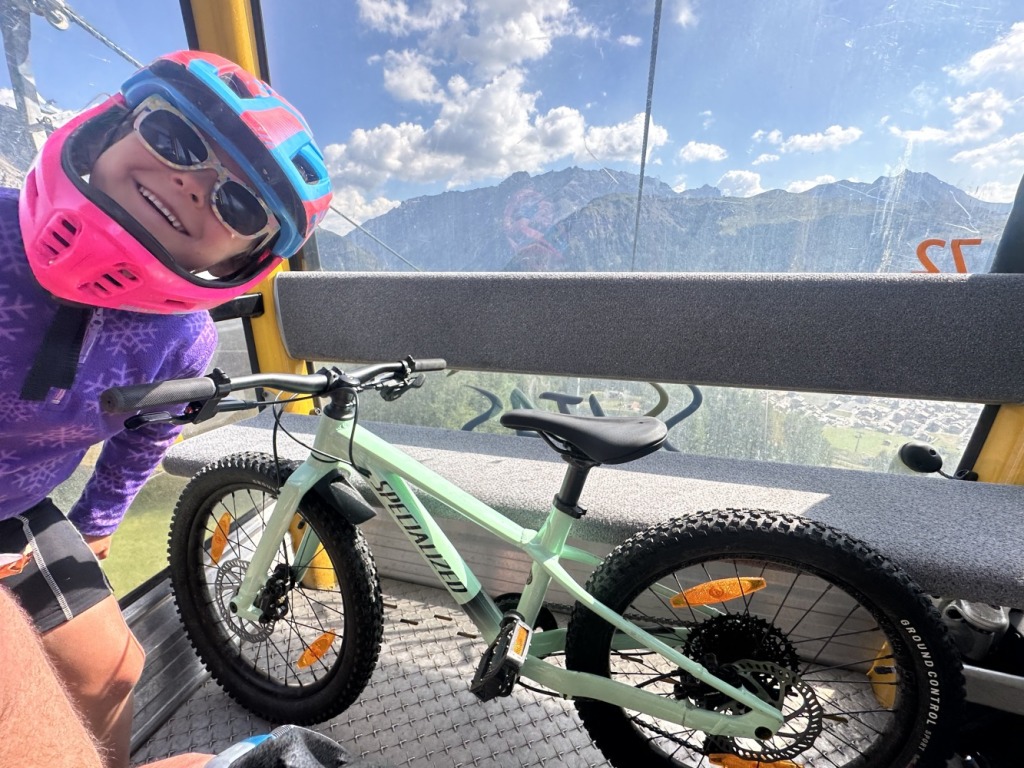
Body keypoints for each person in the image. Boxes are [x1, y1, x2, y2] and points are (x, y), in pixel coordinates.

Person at [0, 50, 332, 768]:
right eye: (177, 141)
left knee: (116, 667)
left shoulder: (181, 341)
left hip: (16, 503)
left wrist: (96, 527)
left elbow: (146, 434)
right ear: (117, 124)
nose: (190, 185)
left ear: (245, 258)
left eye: (237, 204)